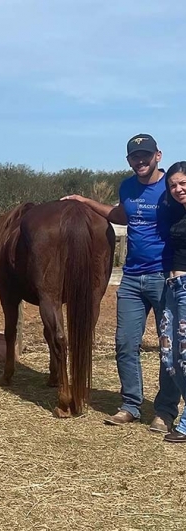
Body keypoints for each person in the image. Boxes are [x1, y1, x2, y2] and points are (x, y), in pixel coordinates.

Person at [63, 134, 180, 431]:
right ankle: (130, 405)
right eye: (134, 157)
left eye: (146, 155)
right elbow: (122, 215)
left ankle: (165, 411)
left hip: (165, 276)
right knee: (125, 344)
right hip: (131, 278)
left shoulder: (171, 187)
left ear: (158, 156)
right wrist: (85, 202)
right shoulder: (127, 186)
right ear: (129, 161)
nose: (140, 161)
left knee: (168, 347)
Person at [158, 162, 186, 442]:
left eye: (183, 184)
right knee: (170, 356)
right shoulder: (176, 211)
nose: (178, 189)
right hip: (172, 286)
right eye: (173, 184)